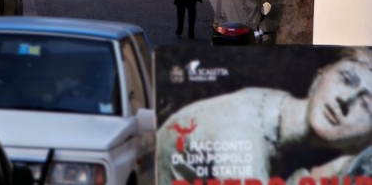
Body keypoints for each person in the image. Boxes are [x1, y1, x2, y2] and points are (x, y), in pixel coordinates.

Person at [157, 48, 372, 185]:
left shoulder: (272, 107)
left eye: (365, 104)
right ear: (319, 77)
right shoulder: (242, 132)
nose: (346, 100)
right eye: (346, 79)